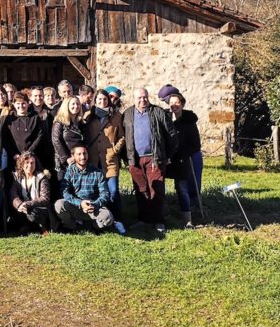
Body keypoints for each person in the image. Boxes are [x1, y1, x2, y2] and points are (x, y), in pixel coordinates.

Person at [123, 87, 178, 234]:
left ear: (148, 97)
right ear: (133, 99)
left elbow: (172, 135)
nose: (142, 100)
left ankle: (158, 220)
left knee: (156, 190)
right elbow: (123, 138)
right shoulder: (127, 114)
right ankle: (144, 219)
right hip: (135, 159)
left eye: (145, 97)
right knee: (141, 190)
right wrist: (127, 159)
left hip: (155, 158)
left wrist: (167, 156)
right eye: (139, 98)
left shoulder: (158, 112)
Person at [159, 86, 202, 229]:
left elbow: (195, 145)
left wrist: (180, 155)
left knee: (182, 188)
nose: (174, 105)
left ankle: (187, 219)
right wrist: (166, 155)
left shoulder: (189, 121)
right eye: (172, 103)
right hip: (166, 160)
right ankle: (162, 215)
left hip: (181, 160)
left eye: (177, 102)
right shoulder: (164, 118)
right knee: (160, 187)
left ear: (182, 103)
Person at [55, 145, 120, 232]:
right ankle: (72, 226)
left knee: (107, 217)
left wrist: (94, 204)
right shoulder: (69, 172)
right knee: (59, 205)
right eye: (79, 154)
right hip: (76, 206)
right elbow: (65, 192)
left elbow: (105, 194)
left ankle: (94, 226)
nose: (82, 157)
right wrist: (80, 203)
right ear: (73, 156)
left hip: (93, 207)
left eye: (84, 153)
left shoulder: (97, 172)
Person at [84, 89, 125, 219]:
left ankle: (117, 218)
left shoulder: (116, 116)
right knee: (95, 191)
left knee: (113, 190)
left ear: (109, 100)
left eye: (105, 99)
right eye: (99, 99)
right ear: (95, 101)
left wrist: (115, 150)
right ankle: (100, 217)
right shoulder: (88, 115)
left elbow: (122, 136)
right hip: (93, 159)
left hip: (109, 159)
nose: (102, 102)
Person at [7, 152, 54, 234]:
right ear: (21, 164)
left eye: (32, 163)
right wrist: (19, 204)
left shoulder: (42, 177)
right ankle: (28, 226)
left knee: (33, 212)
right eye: (27, 163)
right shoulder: (17, 177)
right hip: (23, 207)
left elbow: (45, 198)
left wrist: (28, 204)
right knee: (13, 217)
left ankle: (43, 226)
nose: (30, 165)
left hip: (40, 209)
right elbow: (13, 194)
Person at [2, 92, 43, 172]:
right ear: (14, 104)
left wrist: (29, 152)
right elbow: (5, 139)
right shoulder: (10, 119)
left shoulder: (35, 118)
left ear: (28, 103)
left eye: (23, 103)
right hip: (15, 158)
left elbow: (40, 136)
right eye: (18, 103)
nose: (21, 106)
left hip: (31, 158)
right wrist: (13, 154)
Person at [52, 96, 85, 181]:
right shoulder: (59, 122)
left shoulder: (81, 123)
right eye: (73, 104)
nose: (76, 106)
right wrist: (66, 158)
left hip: (79, 160)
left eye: (78, 104)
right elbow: (56, 140)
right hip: (64, 162)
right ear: (66, 106)